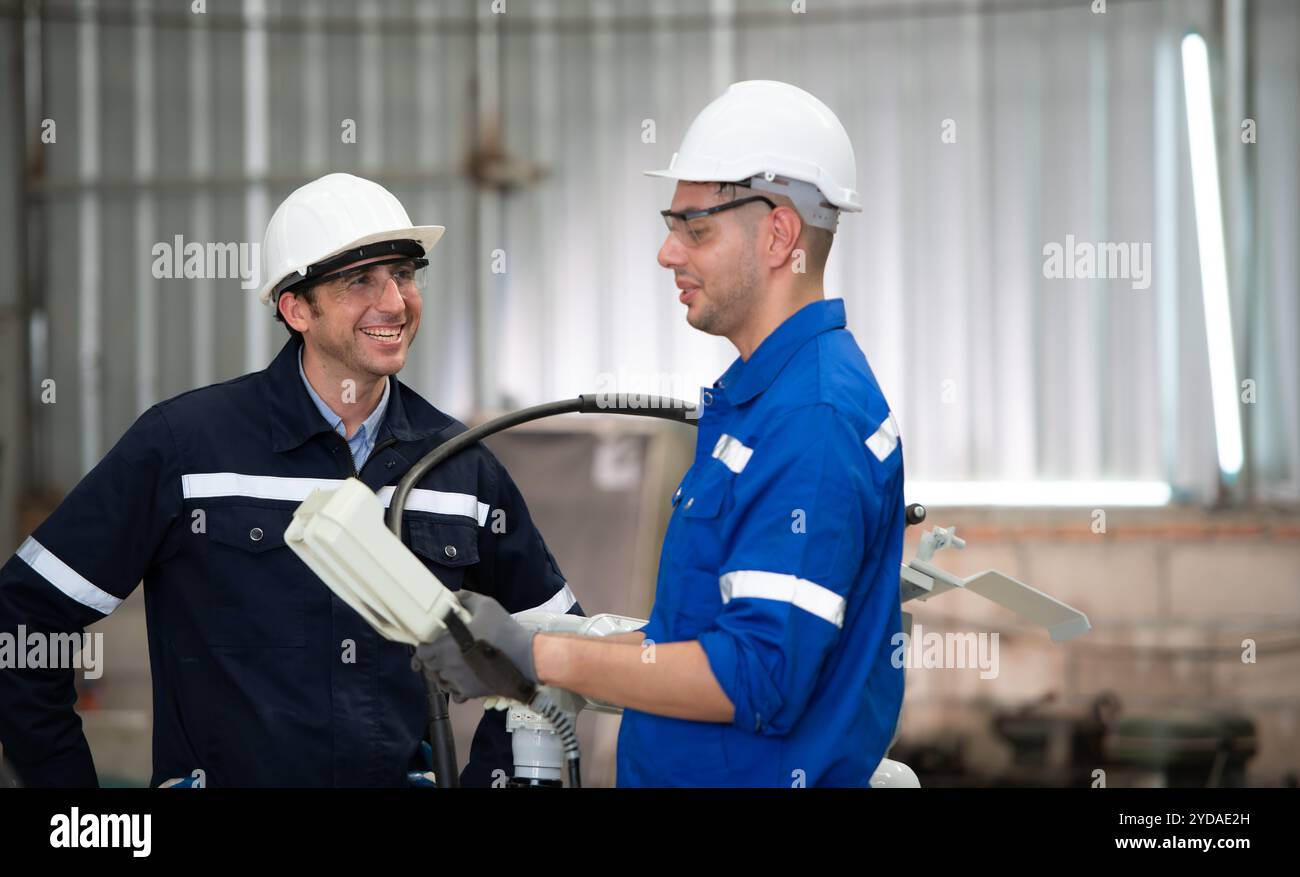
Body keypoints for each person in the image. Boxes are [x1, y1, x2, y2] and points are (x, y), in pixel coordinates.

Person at [0, 172, 579, 787]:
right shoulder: (186, 447)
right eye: (360, 280)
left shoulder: (458, 465)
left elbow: (555, 643)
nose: (394, 302)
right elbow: (23, 618)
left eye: (404, 274)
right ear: (296, 308)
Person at [416, 81, 906, 787]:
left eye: (695, 228)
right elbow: (692, 640)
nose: (667, 253)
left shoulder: (811, 417)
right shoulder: (766, 400)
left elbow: (757, 676)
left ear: (779, 235)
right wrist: (533, 646)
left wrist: (540, 655)